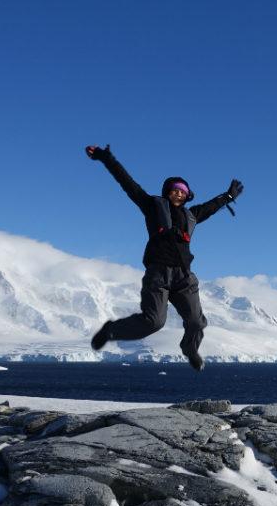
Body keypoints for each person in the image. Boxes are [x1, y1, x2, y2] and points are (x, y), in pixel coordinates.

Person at [85, 144, 243, 371]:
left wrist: (227, 196)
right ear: (167, 191)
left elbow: (211, 206)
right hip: (158, 273)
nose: (179, 192)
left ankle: (190, 349)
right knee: (154, 322)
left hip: (183, 276)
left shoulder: (192, 215)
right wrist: (106, 157)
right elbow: (127, 183)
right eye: (174, 189)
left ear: (188, 195)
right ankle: (111, 330)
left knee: (197, 322)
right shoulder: (152, 206)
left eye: (183, 190)